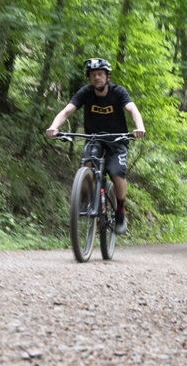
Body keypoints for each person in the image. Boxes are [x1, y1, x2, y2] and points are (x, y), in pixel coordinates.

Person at [45, 58, 146, 235]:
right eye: (93, 75)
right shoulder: (85, 93)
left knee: (116, 173)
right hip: (94, 139)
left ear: (107, 77)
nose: (96, 77)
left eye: (100, 74)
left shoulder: (118, 92)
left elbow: (132, 109)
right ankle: (85, 199)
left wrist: (140, 127)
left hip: (117, 140)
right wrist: (54, 127)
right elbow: (67, 111)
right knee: (86, 166)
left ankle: (120, 211)